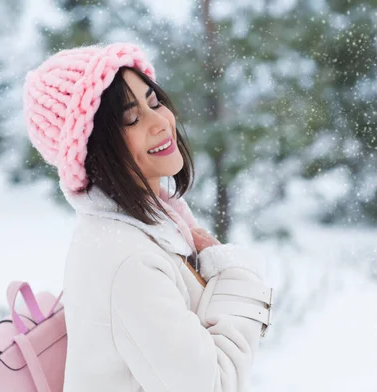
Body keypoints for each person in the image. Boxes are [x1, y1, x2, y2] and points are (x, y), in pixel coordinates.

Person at [23, 42, 273, 392]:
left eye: (154, 102)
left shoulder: (152, 227)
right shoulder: (129, 260)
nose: (160, 122)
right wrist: (236, 277)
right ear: (94, 150)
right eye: (132, 118)